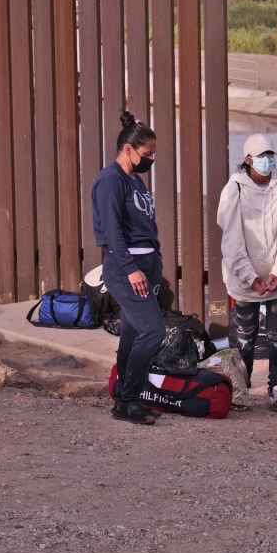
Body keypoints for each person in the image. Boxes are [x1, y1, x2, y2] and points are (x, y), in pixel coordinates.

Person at [217, 134, 277, 412]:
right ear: (248, 159)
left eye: (270, 155)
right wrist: (250, 276)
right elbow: (232, 239)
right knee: (244, 335)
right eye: (261, 156)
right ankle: (241, 389)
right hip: (245, 281)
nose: (267, 161)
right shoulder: (234, 190)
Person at [92, 112, 164, 425]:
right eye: (147, 154)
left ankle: (125, 399)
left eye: (153, 154)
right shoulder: (110, 180)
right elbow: (112, 232)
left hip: (146, 262)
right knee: (153, 330)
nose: (151, 159)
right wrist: (132, 269)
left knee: (133, 334)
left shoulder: (135, 179)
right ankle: (130, 398)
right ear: (128, 150)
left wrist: (154, 262)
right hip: (126, 265)